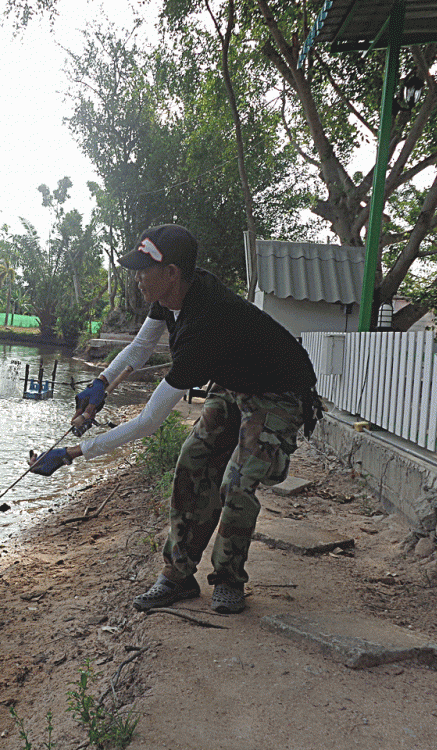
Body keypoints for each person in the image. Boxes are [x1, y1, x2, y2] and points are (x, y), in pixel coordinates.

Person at [29, 224, 322, 614]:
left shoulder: (204, 327)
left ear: (171, 273)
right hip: (234, 382)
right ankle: (178, 576)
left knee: (236, 482)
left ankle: (229, 578)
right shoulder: (170, 296)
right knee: (193, 462)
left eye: (143, 270)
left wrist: (73, 453)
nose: (136, 278)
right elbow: (139, 348)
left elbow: (149, 421)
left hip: (278, 391)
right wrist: (100, 384)